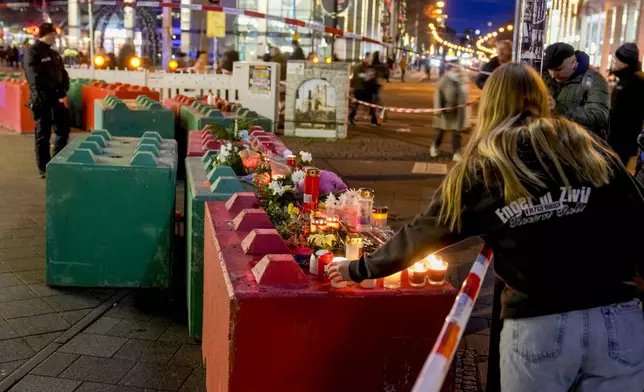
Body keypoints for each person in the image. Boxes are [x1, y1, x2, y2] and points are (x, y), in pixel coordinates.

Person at [329, 63, 644, 391]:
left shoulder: (485, 166)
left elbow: (423, 232)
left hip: (541, 323)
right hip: (617, 316)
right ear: (541, 98)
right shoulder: (585, 145)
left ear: (489, 103)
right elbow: (637, 214)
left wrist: (360, 268)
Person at [23, 23, 70, 178]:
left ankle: (57, 161)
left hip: (56, 100)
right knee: (43, 134)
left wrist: (63, 88)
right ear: (46, 35)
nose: (54, 38)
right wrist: (51, 90)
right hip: (42, 100)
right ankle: (44, 168)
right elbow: (35, 78)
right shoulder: (32, 52)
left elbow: (63, 73)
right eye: (53, 35)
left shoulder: (54, 54)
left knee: (63, 129)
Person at [543, 42, 610, 138]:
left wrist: (558, 108)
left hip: (580, 145)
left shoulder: (594, 81)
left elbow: (598, 118)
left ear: (573, 62)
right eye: (550, 69)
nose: (553, 75)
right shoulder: (545, 76)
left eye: (558, 69)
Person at [608, 43, 644, 165]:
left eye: (615, 59)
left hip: (621, 142)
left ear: (624, 62)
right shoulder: (626, 79)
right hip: (617, 140)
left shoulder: (634, 81)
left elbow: (628, 114)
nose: (613, 61)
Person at [431, 61, 469, 161]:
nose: (458, 69)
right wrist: (438, 110)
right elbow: (438, 95)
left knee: (456, 133)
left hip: (457, 112)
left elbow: (464, 96)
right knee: (440, 132)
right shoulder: (444, 80)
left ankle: (456, 153)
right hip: (446, 111)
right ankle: (434, 146)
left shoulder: (460, 80)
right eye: (456, 67)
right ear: (451, 68)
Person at [348, 55, 376, 125]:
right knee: (370, 104)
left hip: (359, 89)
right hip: (361, 89)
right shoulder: (360, 68)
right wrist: (369, 76)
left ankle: (351, 118)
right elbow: (361, 76)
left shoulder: (358, 67)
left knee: (357, 104)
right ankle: (373, 120)